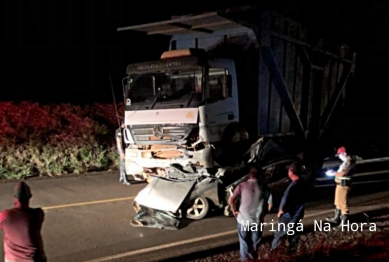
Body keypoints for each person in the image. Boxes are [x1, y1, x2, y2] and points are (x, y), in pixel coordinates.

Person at [229, 164, 273, 262]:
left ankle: (245, 259)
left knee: (244, 243)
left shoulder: (242, 185)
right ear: (260, 175)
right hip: (257, 221)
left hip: (243, 220)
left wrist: (234, 211)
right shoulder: (265, 188)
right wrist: (263, 215)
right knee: (255, 242)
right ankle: (253, 257)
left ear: (249, 175)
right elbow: (270, 205)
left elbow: (231, 200)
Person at [0, 181, 47, 262]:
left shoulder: (6, 215)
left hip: (13, 259)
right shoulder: (38, 214)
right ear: (29, 198)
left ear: (15, 199)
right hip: (35, 258)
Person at [270, 162, 308, 253]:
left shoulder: (292, 187)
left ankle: (274, 251)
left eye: (289, 170)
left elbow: (287, 200)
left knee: (279, 233)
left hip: (288, 215)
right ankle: (293, 249)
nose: (288, 171)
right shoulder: (302, 182)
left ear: (291, 171)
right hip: (299, 213)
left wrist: (281, 211)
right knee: (294, 232)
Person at [325, 146, 356, 229]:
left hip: (344, 185)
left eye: (339, 154)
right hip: (340, 184)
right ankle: (336, 218)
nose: (339, 156)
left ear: (344, 153)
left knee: (342, 204)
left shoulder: (349, 162)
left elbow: (342, 173)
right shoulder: (346, 161)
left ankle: (344, 223)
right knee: (337, 202)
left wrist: (332, 172)